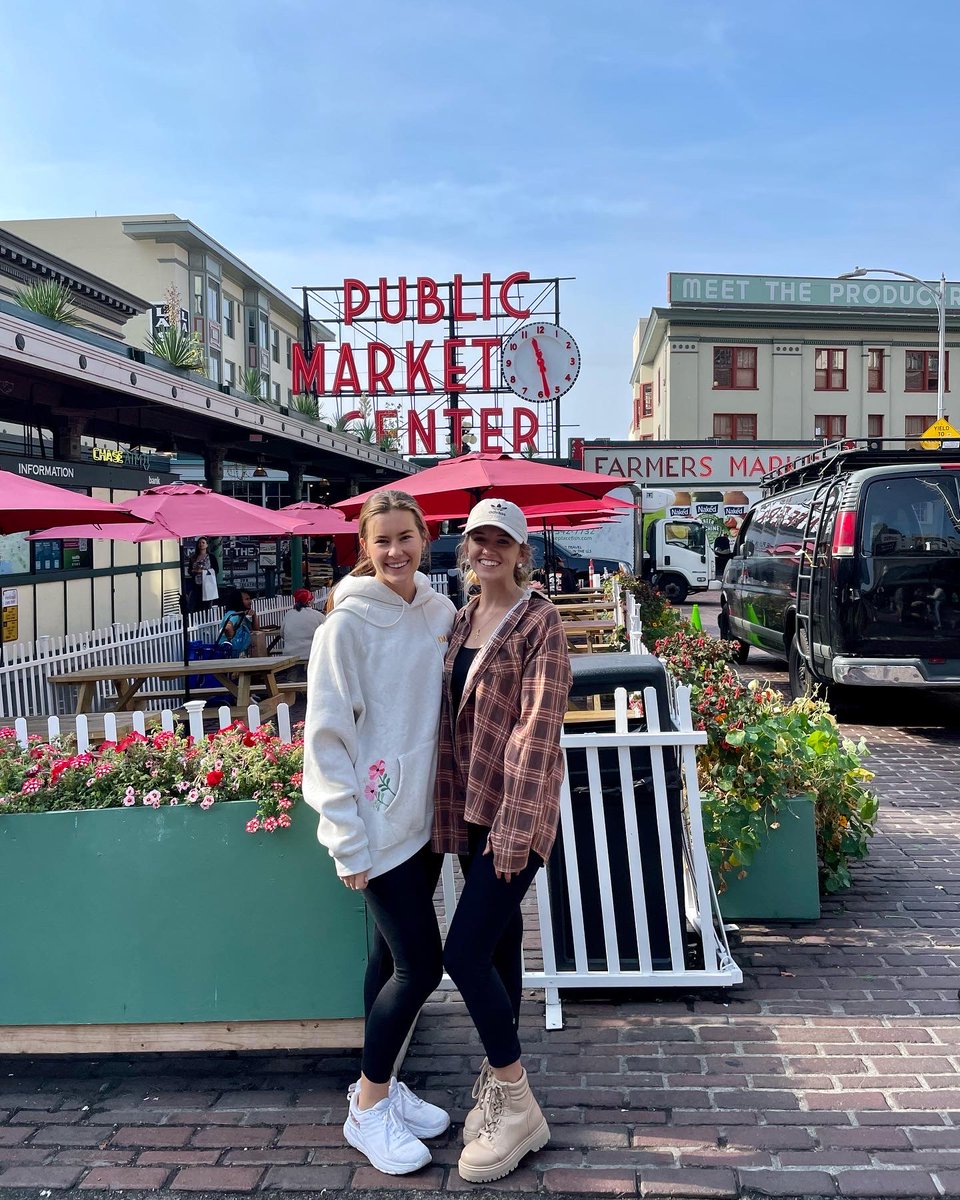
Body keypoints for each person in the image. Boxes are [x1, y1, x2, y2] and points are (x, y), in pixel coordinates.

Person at [302, 490, 457, 1176]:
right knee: (421, 965)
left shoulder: (439, 612)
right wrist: (345, 837)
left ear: (425, 536)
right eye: (381, 540)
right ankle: (366, 1108)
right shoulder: (344, 626)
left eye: (405, 537)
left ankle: (385, 1087)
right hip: (376, 821)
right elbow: (326, 738)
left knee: (386, 961)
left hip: (425, 820)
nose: (395, 551)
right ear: (364, 547)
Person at [432, 498, 573, 1185]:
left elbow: (538, 731)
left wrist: (515, 828)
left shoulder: (538, 620)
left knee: (461, 953)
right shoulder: (462, 619)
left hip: (516, 811)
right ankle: (496, 1081)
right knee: (497, 947)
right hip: (470, 808)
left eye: (501, 541)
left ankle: (517, 1102)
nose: (488, 549)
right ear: (466, 548)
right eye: (477, 539)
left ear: (522, 551)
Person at [280, 588, 325, 677]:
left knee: (292, 678)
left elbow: (282, 634)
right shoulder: (318, 615)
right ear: (309, 602)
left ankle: (291, 683)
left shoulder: (289, 614)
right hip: (312, 655)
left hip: (290, 655)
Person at [217, 589, 260, 656]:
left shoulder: (241, 616)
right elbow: (228, 627)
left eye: (250, 599)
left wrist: (254, 615)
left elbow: (256, 629)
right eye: (247, 599)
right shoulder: (234, 615)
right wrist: (231, 639)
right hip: (228, 652)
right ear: (238, 601)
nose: (250, 602)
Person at [186, 537, 219, 613]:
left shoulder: (211, 557)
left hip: (208, 585)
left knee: (207, 607)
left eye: (203, 543)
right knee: (192, 605)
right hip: (196, 585)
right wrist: (194, 571)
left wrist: (203, 571)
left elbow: (216, 570)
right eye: (199, 543)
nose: (201, 544)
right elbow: (189, 570)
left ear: (207, 545)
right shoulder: (194, 557)